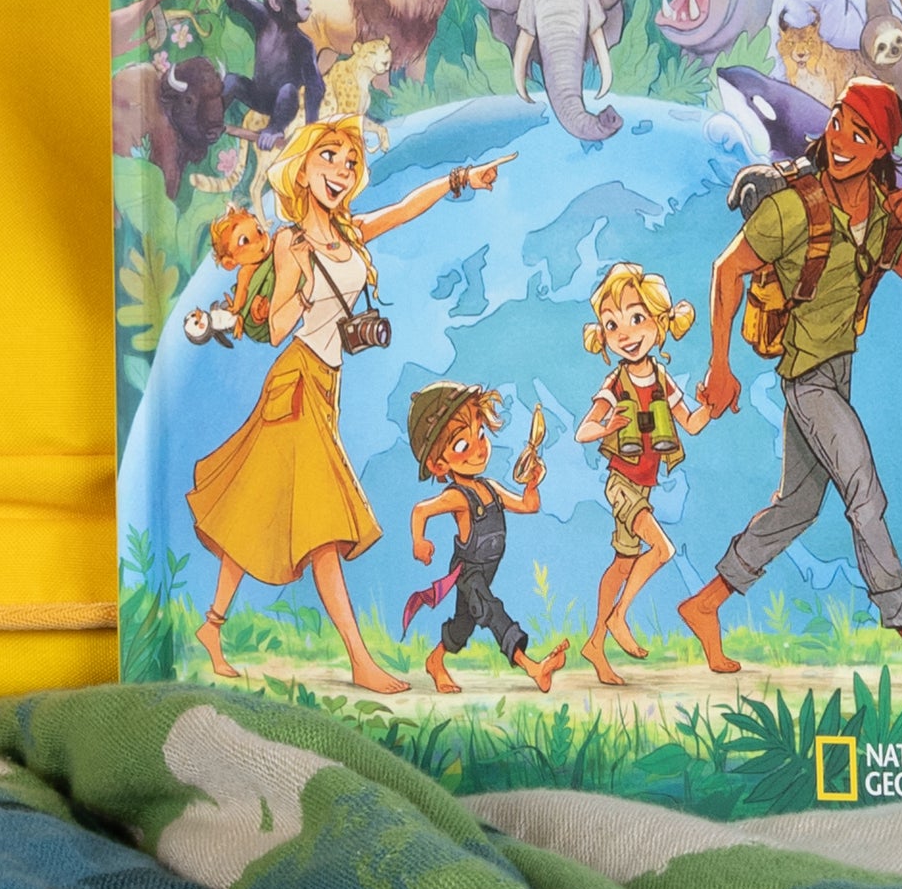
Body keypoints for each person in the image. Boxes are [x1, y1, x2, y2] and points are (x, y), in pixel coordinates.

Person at [668, 78, 902, 693]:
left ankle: (706, 602)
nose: (842, 139)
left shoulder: (880, 213)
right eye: (842, 121)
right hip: (808, 381)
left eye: (862, 134)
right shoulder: (796, 205)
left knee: (797, 505)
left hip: (837, 375)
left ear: (881, 150)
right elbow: (727, 269)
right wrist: (719, 367)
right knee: (864, 497)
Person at [190, 113, 503, 691]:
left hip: (324, 386)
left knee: (258, 503)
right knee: (325, 526)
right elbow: (281, 323)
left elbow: (405, 209)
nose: (341, 170)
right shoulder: (291, 241)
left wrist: (462, 179)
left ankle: (212, 626)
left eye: (350, 162)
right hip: (296, 384)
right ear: (303, 171)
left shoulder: (350, 233)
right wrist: (302, 284)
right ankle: (360, 660)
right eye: (328, 158)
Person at [570, 264, 705, 685]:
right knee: (661, 550)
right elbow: (583, 431)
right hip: (622, 484)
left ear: (659, 324)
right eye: (613, 325)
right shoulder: (616, 380)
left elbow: (692, 422)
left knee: (623, 563)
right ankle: (617, 618)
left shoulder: (662, 379)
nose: (625, 333)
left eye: (635, 318)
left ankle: (595, 643)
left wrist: (713, 401)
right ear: (604, 336)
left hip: (642, 487)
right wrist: (608, 426)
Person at [403, 381, 555, 692]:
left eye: (480, 434)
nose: (478, 446)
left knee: (462, 627)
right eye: (462, 444)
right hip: (469, 574)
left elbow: (529, 506)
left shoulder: (490, 488)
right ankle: (533, 668)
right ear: (438, 463)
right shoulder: (458, 497)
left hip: (486, 572)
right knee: (490, 610)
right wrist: (419, 542)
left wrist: (532, 483)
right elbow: (420, 510)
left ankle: (435, 661)